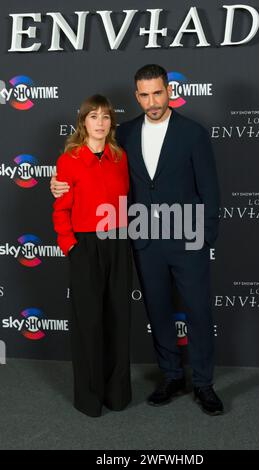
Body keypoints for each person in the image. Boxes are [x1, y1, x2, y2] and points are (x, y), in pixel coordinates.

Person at [51, 65, 223, 416]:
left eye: (157, 93)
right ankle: (172, 376)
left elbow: (211, 191)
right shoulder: (124, 135)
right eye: (144, 95)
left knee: (198, 312)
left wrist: (204, 239)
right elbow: (93, 174)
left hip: (188, 237)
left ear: (169, 90)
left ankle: (204, 384)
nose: (152, 101)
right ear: (137, 96)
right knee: (157, 311)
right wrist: (58, 185)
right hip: (144, 239)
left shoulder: (193, 133)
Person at [52, 94, 132, 417]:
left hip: (118, 240)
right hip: (84, 244)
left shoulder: (119, 156)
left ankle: (117, 394)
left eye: (106, 117)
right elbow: (61, 209)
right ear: (83, 122)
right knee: (88, 321)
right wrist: (69, 244)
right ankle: (89, 397)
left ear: (111, 123)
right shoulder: (68, 160)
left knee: (118, 318)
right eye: (93, 117)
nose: (100, 123)